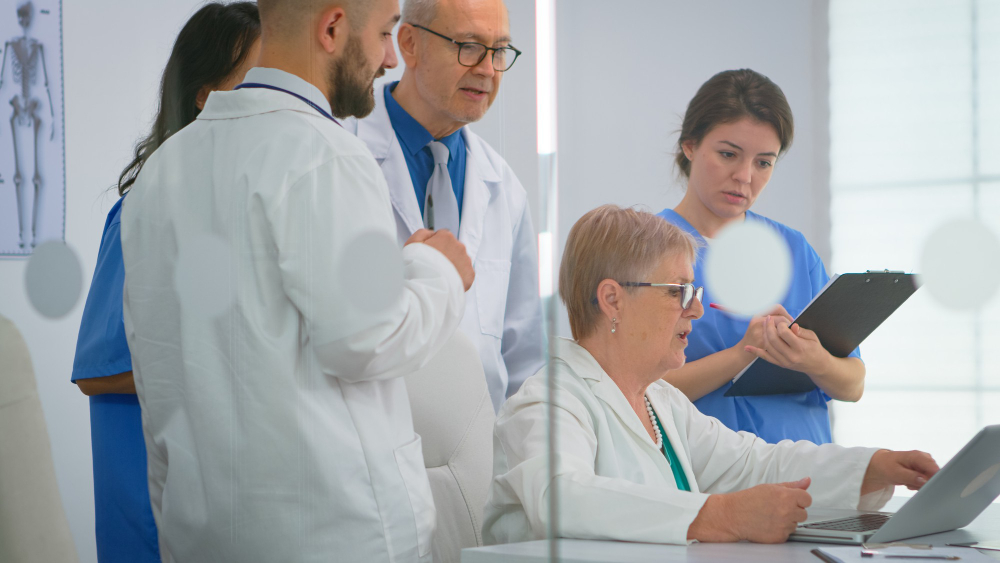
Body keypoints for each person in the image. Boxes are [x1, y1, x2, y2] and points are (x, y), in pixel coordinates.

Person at [119, 0, 474, 561]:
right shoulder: (326, 153)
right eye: (384, 34)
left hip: (201, 534)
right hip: (335, 535)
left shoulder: (161, 173)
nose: (388, 59)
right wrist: (440, 273)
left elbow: (161, 370)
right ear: (332, 28)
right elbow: (369, 339)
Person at [483, 205, 938, 545]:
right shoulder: (548, 401)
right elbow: (561, 499)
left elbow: (753, 464)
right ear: (613, 300)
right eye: (679, 292)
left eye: (695, 291)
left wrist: (872, 468)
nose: (696, 309)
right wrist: (717, 515)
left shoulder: (658, 402)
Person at [71, 4, 261, 561]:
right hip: (152, 521)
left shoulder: (243, 209)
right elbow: (98, 371)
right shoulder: (145, 212)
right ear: (206, 93)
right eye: (257, 77)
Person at [344, 0, 544, 412]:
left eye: (500, 51)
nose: (488, 70)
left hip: (482, 455)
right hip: (375, 437)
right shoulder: (341, 156)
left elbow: (524, 358)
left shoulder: (504, 188)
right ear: (410, 44)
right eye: (469, 46)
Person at [658, 69, 865, 444]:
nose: (744, 176)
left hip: (810, 477)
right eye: (727, 154)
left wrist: (813, 360)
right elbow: (632, 390)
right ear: (689, 145)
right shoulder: (646, 251)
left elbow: (853, 384)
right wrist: (742, 354)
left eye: (763, 162)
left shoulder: (794, 250)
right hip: (712, 484)